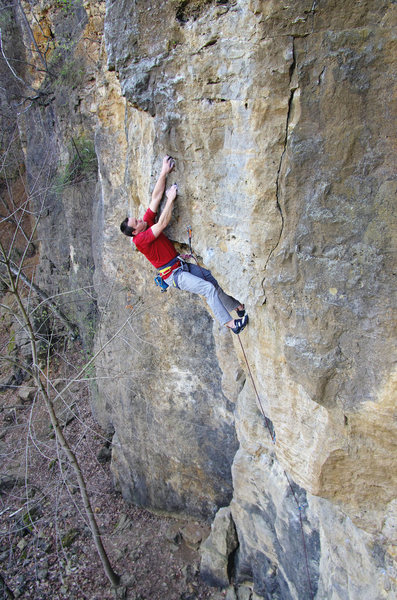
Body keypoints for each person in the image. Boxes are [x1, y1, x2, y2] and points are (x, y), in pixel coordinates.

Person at [120, 155, 249, 334]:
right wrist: (171, 199)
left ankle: (238, 307)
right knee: (207, 288)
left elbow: (155, 198)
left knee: (212, 279)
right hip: (174, 275)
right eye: (137, 221)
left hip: (181, 266)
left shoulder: (145, 224)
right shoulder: (140, 239)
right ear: (135, 231)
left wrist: (164, 172)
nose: (140, 218)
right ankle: (232, 325)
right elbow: (163, 223)